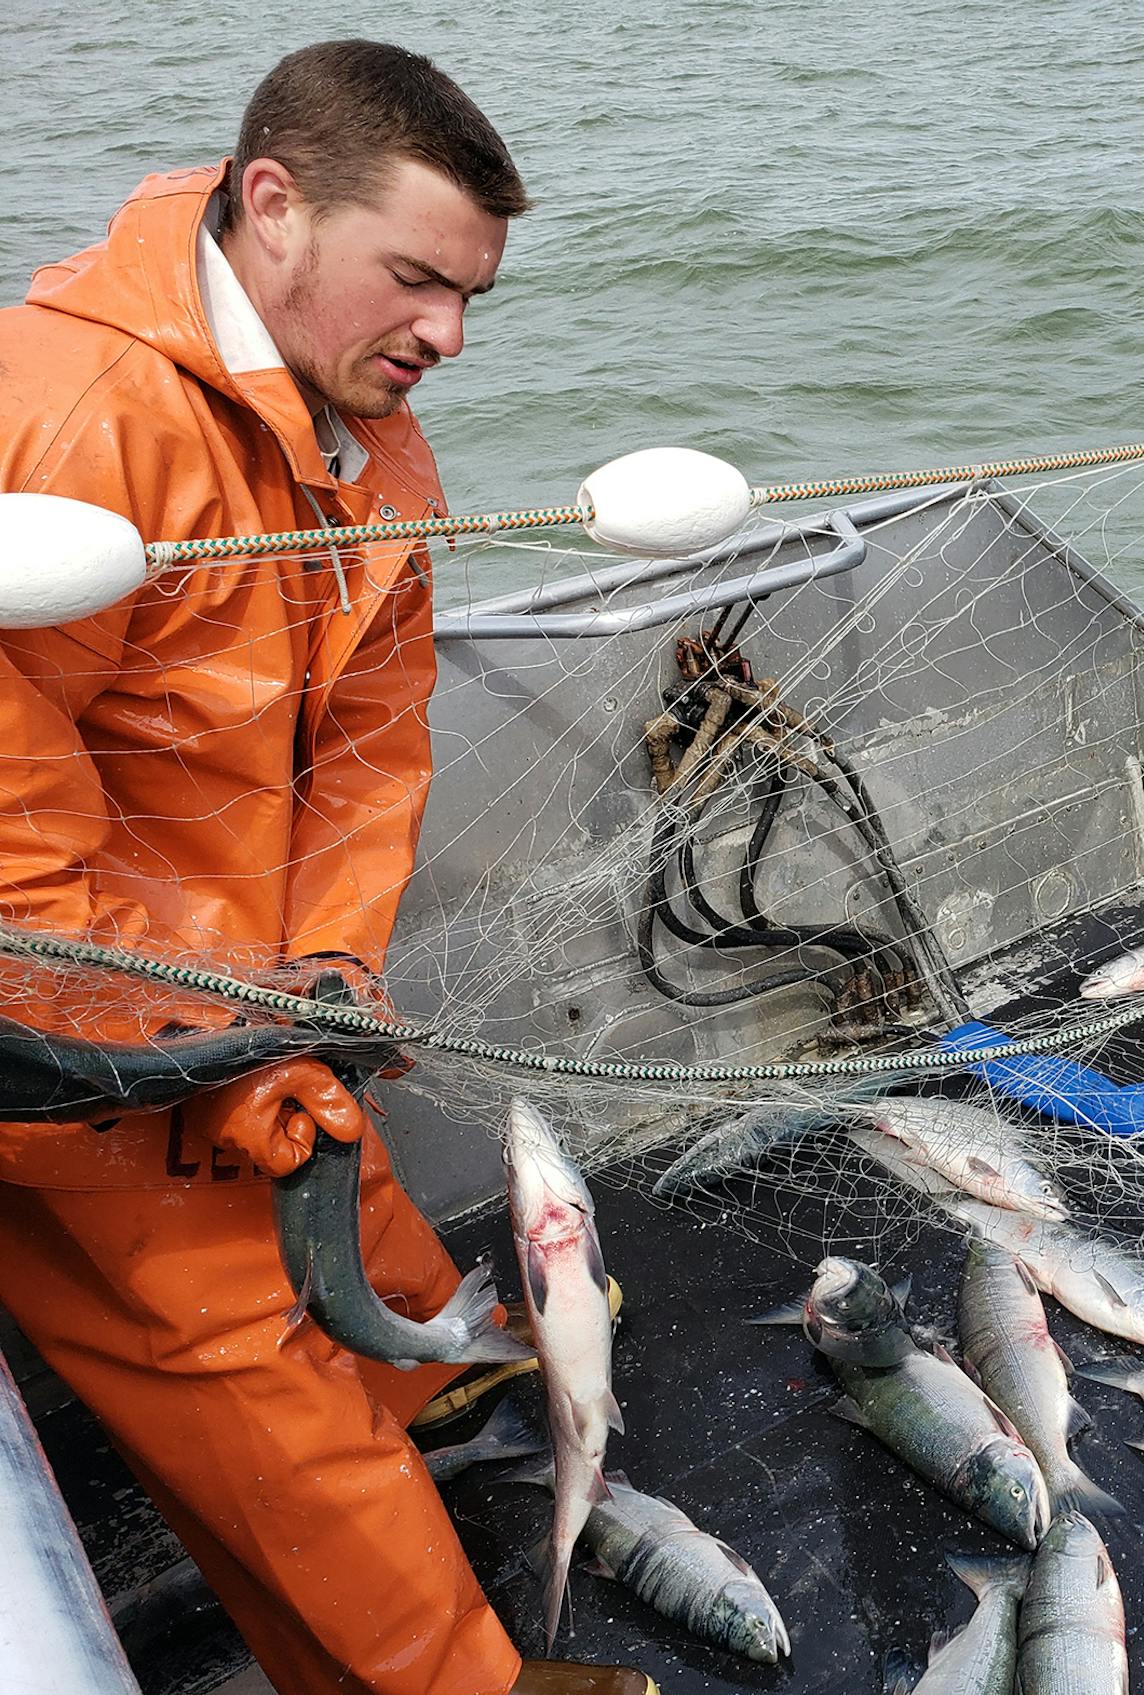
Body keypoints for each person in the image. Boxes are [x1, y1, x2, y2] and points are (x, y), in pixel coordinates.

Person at [0, 40, 651, 1695]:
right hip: (64, 1033)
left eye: (470, 296)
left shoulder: (358, 415)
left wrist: (330, 979)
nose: (448, 335)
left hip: (242, 965)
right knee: (235, 1359)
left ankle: (422, 1367)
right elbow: (11, 863)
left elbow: (368, 746)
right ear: (274, 204)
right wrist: (204, 1048)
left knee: (338, 1133)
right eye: (417, 279)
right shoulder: (68, 426)